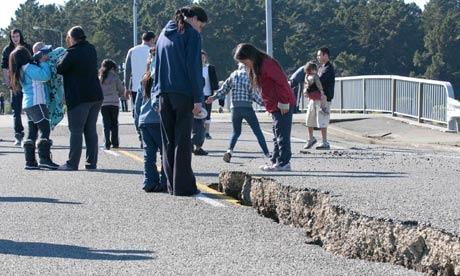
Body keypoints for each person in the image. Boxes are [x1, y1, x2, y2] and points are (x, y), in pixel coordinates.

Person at [154, 5, 208, 196]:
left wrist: (155, 94)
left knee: (168, 141)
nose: (199, 29)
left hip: (163, 94)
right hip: (183, 93)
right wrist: (198, 97)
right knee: (182, 141)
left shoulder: (163, 34)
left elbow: (157, 66)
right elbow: (193, 67)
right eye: (200, 25)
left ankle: (171, 185)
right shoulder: (191, 35)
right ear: (193, 18)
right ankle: (183, 187)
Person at [234, 43, 296, 171]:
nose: (245, 66)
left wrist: (284, 102)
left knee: (282, 134)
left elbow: (282, 81)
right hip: (275, 104)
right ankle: (276, 161)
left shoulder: (267, 63)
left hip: (283, 103)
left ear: (250, 57)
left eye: (245, 63)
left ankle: (284, 163)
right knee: (276, 133)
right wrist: (270, 106)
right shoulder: (258, 65)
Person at [56, 26, 103, 171]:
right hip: (95, 95)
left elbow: (60, 69)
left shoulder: (72, 52)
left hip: (79, 97)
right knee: (90, 129)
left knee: (76, 130)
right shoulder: (91, 49)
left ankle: (72, 163)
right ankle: (91, 163)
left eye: (68, 38)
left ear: (72, 38)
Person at [206, 63, 270, 163]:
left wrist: (213, 98)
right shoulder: (250, 76)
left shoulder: (233, 75)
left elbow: (224, 89)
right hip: (247, 108)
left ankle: (229, 151)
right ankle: (267, 153)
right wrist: (266, 104)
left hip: (235, 108)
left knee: (236, 132)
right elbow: (254, 95)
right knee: (257, 131)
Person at [9, 45, 59, 170]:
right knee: (45, 130)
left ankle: (30, 161)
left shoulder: (20, 70)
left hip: (28, 104)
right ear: (25, 56)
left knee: (32, 133)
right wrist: (43, 62)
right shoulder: (29, 68)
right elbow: (45, 76)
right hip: (37, 103)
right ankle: (44, 159)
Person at [134, 47, 167, 193]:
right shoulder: (162, 78)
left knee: (149, 155)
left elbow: (137, 105)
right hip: (158, 120)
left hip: (144, 120)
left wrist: (137, 123)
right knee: (164, 153)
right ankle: (165, 181)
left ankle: (149, 182)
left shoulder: (144, 79)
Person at [124, 31, 156, 147]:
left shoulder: (132, 51)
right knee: (150, 111)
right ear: (152, 39)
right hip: (152, 86)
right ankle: (150, 135)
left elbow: (127, 70)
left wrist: (126, 87)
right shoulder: (154, 51)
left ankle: (140, 133)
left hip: (136, 86)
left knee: (137, 111)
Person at [2, 29, 32, 146]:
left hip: (28, 82)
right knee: (17, 110)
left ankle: (31, 136)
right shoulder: (7, 50)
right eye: (13, 36)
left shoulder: (27, 47)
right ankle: (18, 135)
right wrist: (8, 81)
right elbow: (4, 67)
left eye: (17, 36)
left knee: (30, 109)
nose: (15, 38)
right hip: (16, 83)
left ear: (20, 36)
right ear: (11, 37)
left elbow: (32, 62)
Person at [99, 59, 124, 150]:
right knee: (114, 123)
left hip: (104, 104)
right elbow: (121, 90)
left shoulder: (100, 78)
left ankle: (107, 143)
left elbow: (97, 90)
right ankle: (115, 142)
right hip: (114, 103)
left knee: (106, 124)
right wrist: (120, 95)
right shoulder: (115, 77)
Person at [303, 61, 329, 149]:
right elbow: (306, 87)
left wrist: (322, 93)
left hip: (318, 99)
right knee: (309, 120)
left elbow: (319, 86)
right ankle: (311, 138)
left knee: (321, 120)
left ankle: (324, 141)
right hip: (312, 99)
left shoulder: (315, 77)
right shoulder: (307, 76)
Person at [315, 47, 335, 150]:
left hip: (325, 97)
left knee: (323, 119)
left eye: (319, 55)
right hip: (321, 97)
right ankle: (323, 141)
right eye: (318, 55)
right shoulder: (321, 67)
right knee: (320, 119)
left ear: (325, 55)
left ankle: (325, 142)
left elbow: (320, 81)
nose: (318, 57)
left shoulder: (328, 68)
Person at [201, 51, 218, 139]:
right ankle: (199, 131)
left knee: (207, 114)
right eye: (200, 57)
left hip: (208, 94)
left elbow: (214, 81)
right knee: (198, 114)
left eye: (203, 57)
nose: (202, 59)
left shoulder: (210, 68)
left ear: (206, 58)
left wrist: (215, 94)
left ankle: (207, 132)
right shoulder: (194, 68)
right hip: (198, 95)